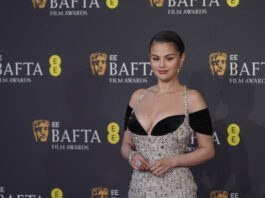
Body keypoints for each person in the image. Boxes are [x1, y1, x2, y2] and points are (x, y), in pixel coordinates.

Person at [120, 30, 215, 198]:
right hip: (139, 189)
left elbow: (207, 150)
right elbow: (126, 144)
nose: (161, 65)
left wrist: (172, 161)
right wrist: (132, 156)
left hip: (177, 190)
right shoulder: (137, 97)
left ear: (181, 58)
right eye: (155, 58)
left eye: (169, 58)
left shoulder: (192, 99)